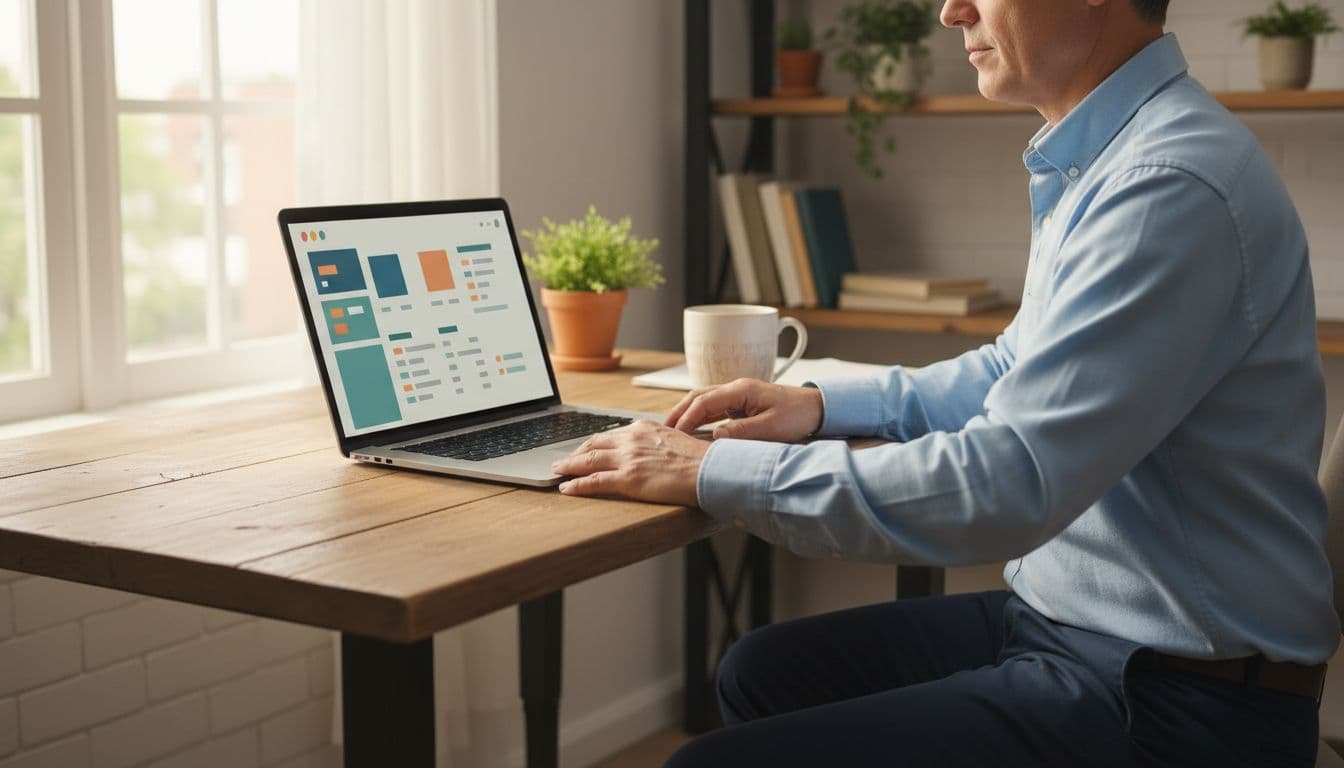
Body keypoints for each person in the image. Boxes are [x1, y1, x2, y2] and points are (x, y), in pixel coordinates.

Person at [550, 0, 1341, 764]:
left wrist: (710, 470)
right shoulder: (1110, 153)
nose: (950, 11)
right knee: (759, 670)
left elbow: (1009, 483)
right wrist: (819, 406)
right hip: (1080, 628)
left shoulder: (1166, 183)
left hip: (1184, 700)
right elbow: (1013, 369)